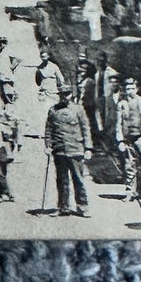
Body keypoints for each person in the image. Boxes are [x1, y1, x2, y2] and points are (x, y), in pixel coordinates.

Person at [43, 85, 91, 220]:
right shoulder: (53, 110)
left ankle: (83, 207)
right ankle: (63, 207)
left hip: (76, 150)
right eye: (62, 94)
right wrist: (47, 145)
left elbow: (85, 129)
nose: (65, 96)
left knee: (78, 180)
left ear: (71, 94)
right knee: (61, 180)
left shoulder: (78, 110)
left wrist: (88, 148)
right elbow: (48, 129)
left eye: (67, 94)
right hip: (59, 150)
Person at [114, 76, 141, 199]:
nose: (130, 91)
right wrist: (120, 140)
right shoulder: (121, 104)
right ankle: (129, 192)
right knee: (129, 166)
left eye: (132, 88)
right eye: (128, 89)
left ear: (137, 89)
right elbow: (119, 123)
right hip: (128, 139)